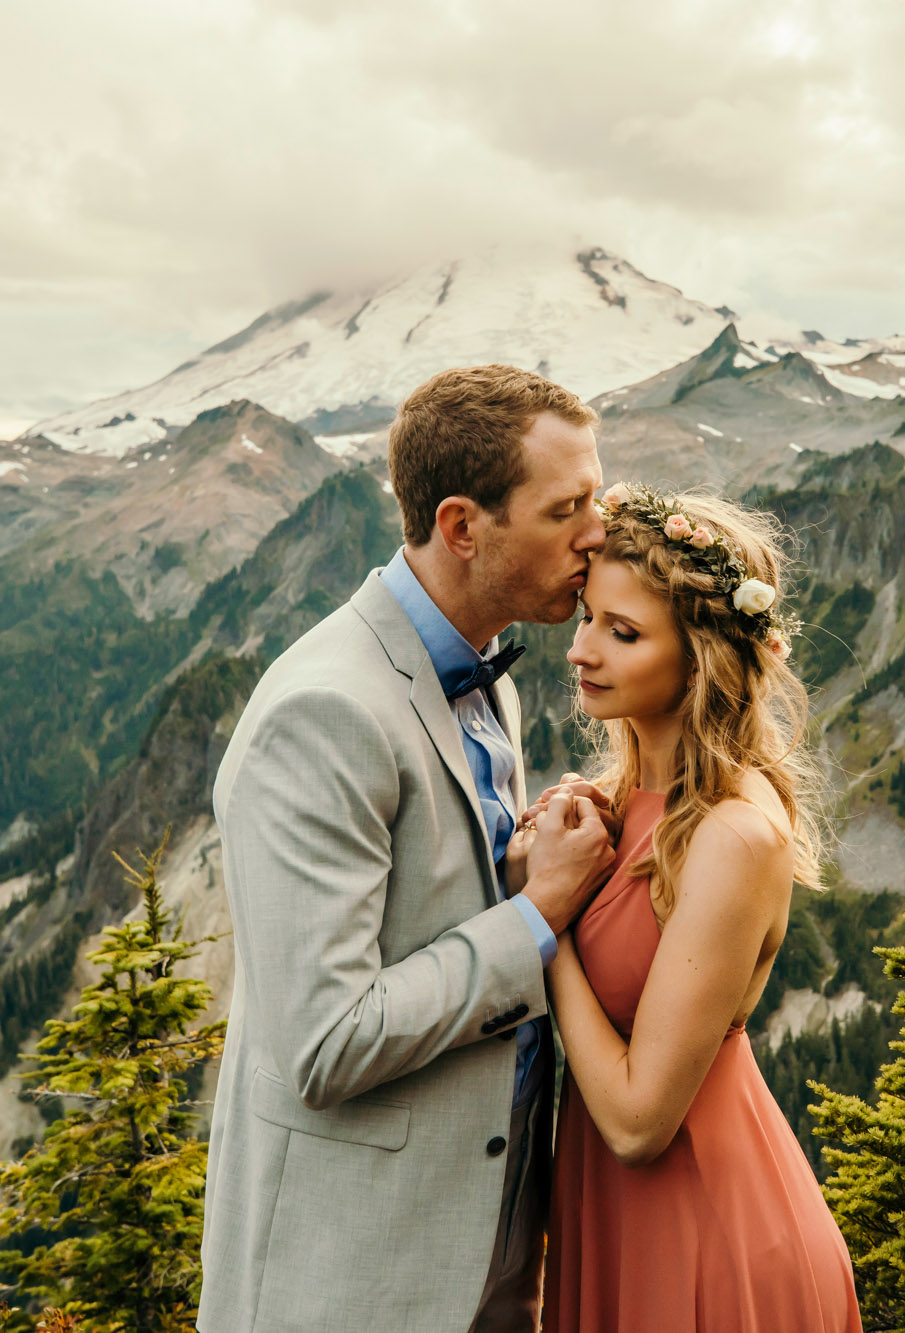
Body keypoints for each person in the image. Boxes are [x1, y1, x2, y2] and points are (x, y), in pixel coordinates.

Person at [197, 364, 621, 1333]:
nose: (595, 532)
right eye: (567, 508)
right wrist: (537, 911)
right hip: (352, 1274)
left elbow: (423, 914)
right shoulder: (325, 712)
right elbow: (326, 1039)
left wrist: (515, 868)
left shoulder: (483, 679)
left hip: (479, 1248)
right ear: (463, 526)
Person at [521, 484, 863, 1333]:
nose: (582, 650)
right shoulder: (639, 797)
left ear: (701, 657)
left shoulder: (734, 834)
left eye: (624, 632)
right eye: (588, 618)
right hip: (621, 1224)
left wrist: (545, 919)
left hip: (715, 1239)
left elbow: (639, 1122)